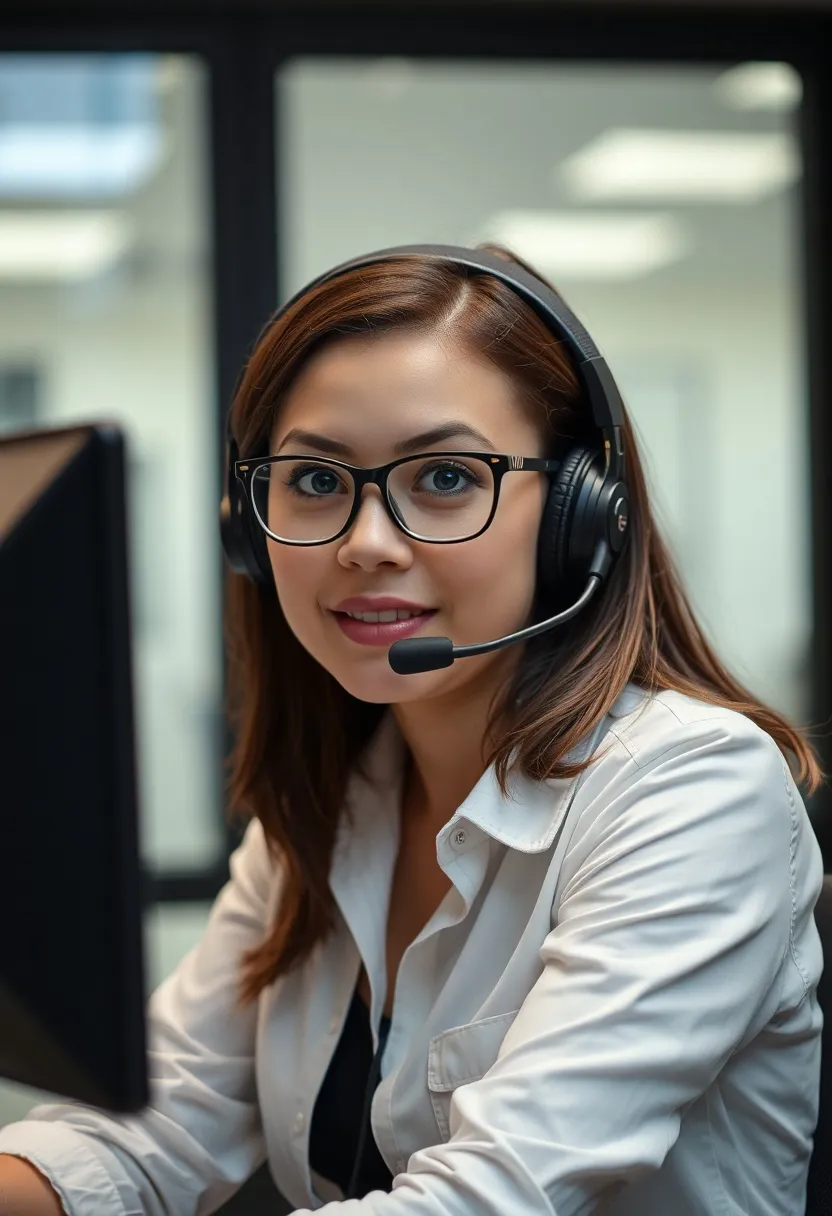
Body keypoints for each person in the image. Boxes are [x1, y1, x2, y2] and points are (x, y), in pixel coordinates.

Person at [0, 243, 824, 1216]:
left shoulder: (690, 788)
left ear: (578, 516)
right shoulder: (332, 807)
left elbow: (488, 1195)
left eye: (442, 476)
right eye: (313, 480)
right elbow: (154, 1126)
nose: (365, 543)